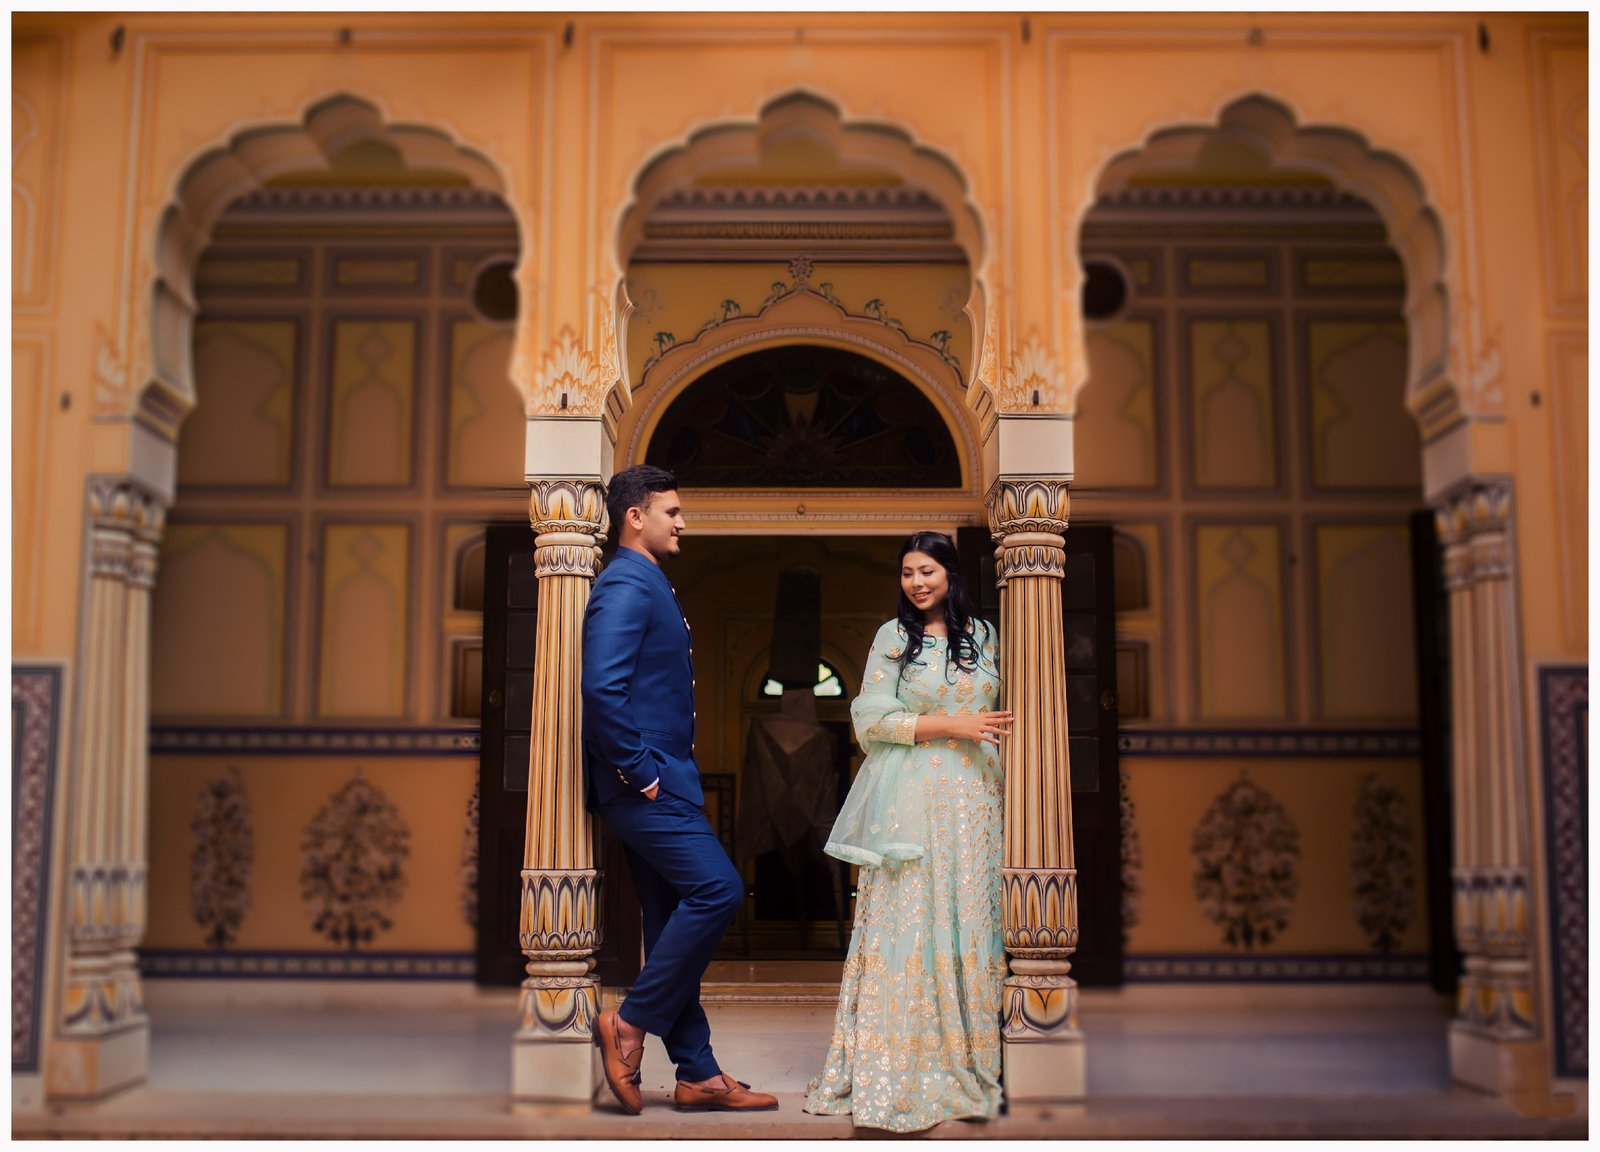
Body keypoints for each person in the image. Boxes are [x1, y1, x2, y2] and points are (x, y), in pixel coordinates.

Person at [583, 463, 778, 1115]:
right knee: (719, 889)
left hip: (660, 783)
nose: (683, 522)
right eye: (672, 512)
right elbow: (601, 691)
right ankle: (629, 1024)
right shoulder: (625, 585)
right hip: (645, 786)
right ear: (635, 517)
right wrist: (641, 773)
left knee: (670, 920)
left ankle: (697, 1072)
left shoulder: (647, 582)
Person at [802, 530, 1012, 1133]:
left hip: (975, 801)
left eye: (927, 571)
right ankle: (898, 1067)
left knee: (968, 920)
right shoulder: (894, 639)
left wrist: (974, 734)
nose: (917, 583)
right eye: (907, 574)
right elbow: (870, 718)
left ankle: (967, 1061)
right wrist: (952, 723)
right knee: (911, 918)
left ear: (950, 574)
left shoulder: (984, 636)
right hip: (915, 797)